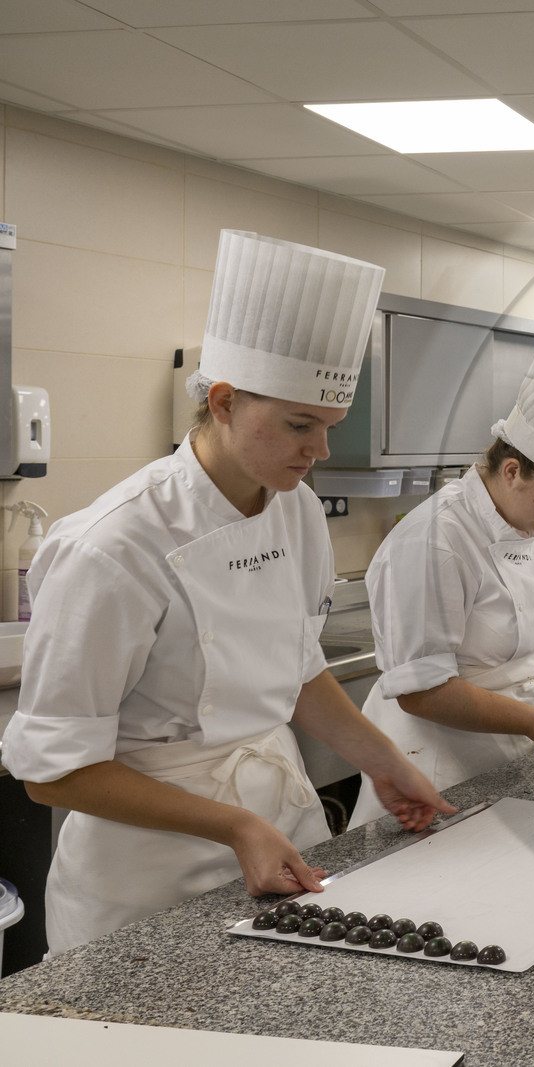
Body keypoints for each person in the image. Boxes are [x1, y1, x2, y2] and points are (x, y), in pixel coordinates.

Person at [0, 231, 451, 954]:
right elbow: (52, 774)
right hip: (146, 881)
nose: (320, 451)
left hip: (282, 845)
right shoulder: (115, 546)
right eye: (301, 425)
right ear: (224, 400)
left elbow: (296, 670)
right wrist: (234, 824)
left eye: (329, 426)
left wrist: (388, 763)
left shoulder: (294, 504)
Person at [348, 341, 534, 827]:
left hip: (522, 751)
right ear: (511, 471)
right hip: (438, 769)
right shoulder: (436, 540)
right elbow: (422, 690)